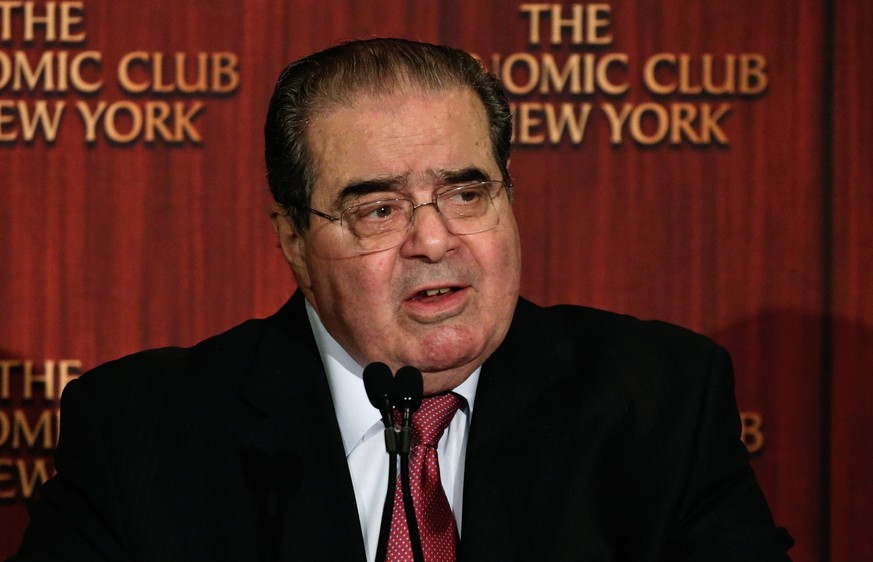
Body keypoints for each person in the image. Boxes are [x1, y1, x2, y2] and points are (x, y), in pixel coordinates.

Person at [12, 38, 793, 561]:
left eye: (466, 193)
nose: (433, 240)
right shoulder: (141, 432)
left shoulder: (659, 401)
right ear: (293, 239)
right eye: (379, 209)